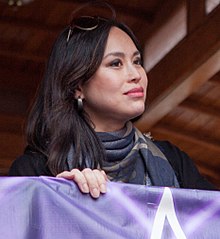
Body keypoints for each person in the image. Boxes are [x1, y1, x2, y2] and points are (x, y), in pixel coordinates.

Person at [8, 1, 217, 198]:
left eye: (137, 61)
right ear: (78, 86)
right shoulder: (35, 171)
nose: (136, 74)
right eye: (116, 63)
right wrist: (59, 197)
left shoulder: (173, 161)